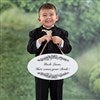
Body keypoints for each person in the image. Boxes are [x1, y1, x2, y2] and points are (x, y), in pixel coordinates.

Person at [27, 3, 72, 100]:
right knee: (41, 94)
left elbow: (68, 49)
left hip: (58, 69)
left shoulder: (63, 33)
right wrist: (40, 40)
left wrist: (61, 42)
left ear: (57, 17)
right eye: (44, 15)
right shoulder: (34, 33)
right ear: (39, 19)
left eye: (51, 14)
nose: (48, 17)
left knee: (57, 94)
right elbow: (30, 49)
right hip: (40, 69)